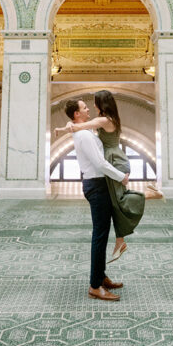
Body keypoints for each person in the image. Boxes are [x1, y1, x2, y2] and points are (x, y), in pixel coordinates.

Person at [60, 91, 145, 263]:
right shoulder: (108, 118)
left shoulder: (103, 120)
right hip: (116, 160)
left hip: (115, 161)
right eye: (86, 106)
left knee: (117, 201)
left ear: (102, 104)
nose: (92, 107)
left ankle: (121, 239)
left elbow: (78, 127)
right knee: (115, 201)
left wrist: (65, 126)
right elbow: (81, 126)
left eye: (95, 103)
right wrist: (70, 122)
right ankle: (120, 241)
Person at [58, 97, 128, 301]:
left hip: (99, 184)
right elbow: (99, 163)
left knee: (103, 234)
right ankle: (95, 286)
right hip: (96, 185)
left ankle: (101, 276)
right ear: (77, 114)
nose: (89, 109)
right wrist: (121, 176)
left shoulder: (84, 131)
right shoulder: (85, 136)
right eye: (84, 107)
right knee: (99, 236)